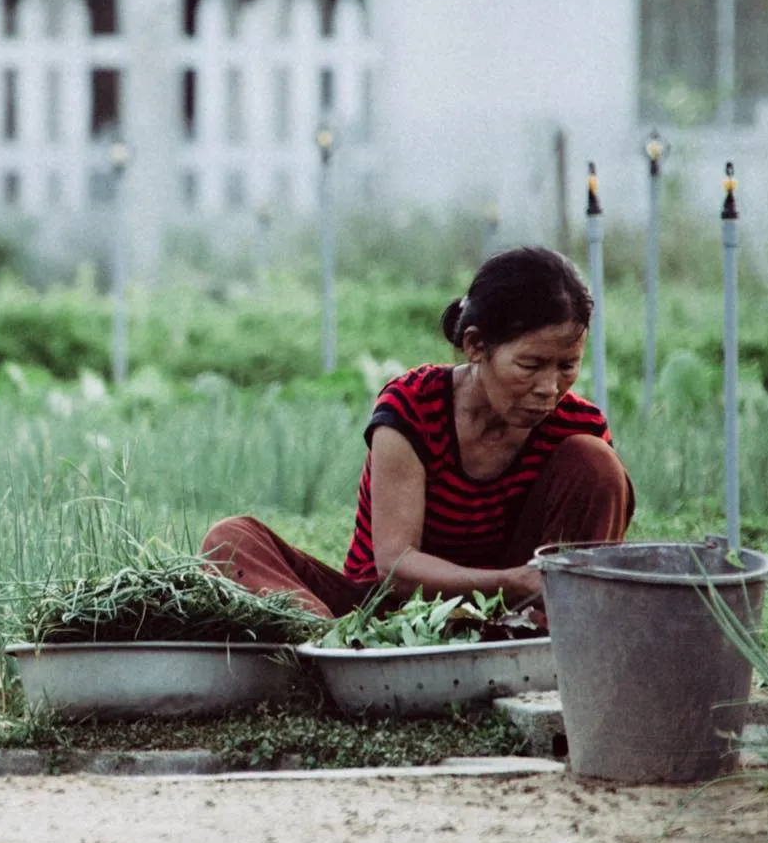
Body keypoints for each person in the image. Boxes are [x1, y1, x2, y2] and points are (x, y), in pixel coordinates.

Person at [200, 246, 634, 620]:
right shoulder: (412, 407)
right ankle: (327, 643)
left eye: (567, 366)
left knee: (597, 463)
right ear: (476, 346)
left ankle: (545, 643)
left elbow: (589, 568)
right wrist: (509, 582)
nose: (550, 387)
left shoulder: (578, 427)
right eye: (531, 365)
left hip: (517, 619)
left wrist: (522, 597)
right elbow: (395, 568)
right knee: (229, 540)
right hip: (383, 614)